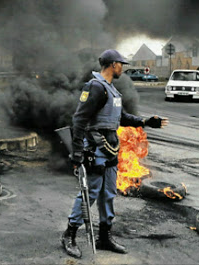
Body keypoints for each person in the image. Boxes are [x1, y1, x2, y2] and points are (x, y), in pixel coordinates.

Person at [61, 49, 169, 258]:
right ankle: (69, 235)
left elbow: (120, 118)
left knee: (108, 194)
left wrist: (145, 121)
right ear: (113, 65)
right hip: (95, 147)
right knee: (89, 193)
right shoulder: (95, 87)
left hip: (110, 149)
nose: (123, 68)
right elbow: (79, 120)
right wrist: (77, 153)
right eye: (121, 64)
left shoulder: (111, 90)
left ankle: (104, 237)